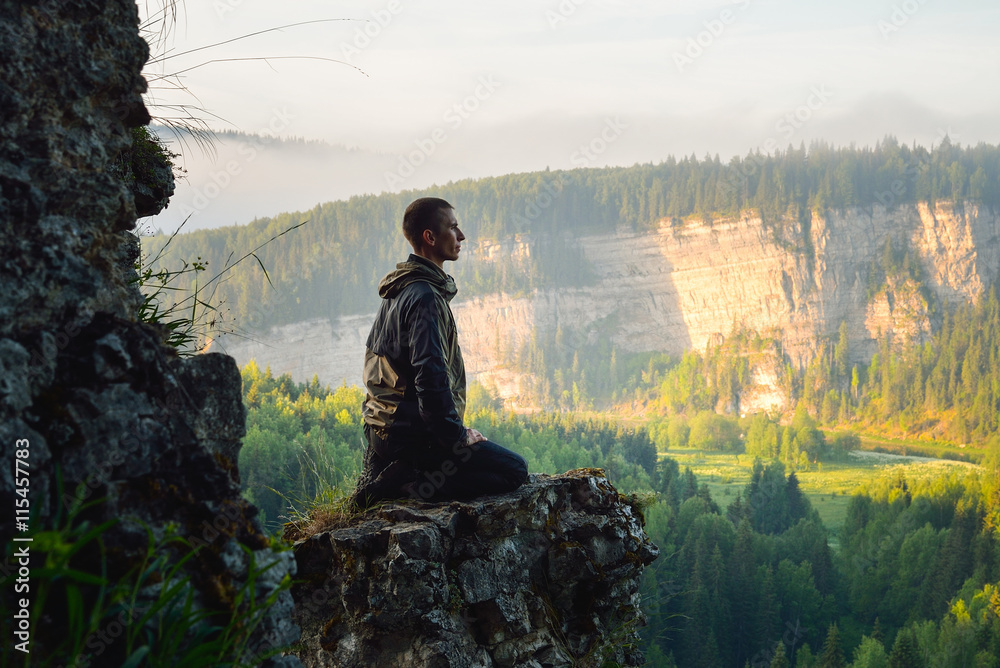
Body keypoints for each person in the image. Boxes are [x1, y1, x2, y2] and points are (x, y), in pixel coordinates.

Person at [351, 197, 528, 508]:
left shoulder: (399, 289)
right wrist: (457, 436)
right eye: (453, 228)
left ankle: (407, 472)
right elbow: (431, 380)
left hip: (383, 429)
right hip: (408, 437)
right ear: (429, 237)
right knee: (515, 471)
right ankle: (409, 486)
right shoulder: (425, 297)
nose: (461, 237)